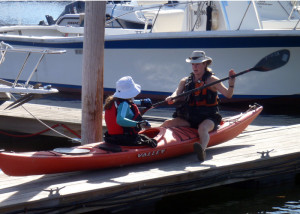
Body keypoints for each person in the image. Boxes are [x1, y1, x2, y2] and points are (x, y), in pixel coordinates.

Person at [161, 50, 236, 161]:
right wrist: (171, 98)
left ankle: (202, 149)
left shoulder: (212, 80)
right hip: (190, 117)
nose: (195, 67)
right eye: (193, 64)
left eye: (198, 64)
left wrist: (231, 83)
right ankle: (156, 143)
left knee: (203, 129)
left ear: (205, 64)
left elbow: (228, 95)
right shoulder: (185, 81)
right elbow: (176, 93)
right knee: (167, 123)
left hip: (208, 117)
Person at [104, 76, 157, 148]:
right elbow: (120, 120)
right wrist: (139, 124)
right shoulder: (124, 104)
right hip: (125, 139)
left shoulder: (113, 101)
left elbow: (127, 103)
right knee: (151, 142)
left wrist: (141, 102)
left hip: (112, 138)